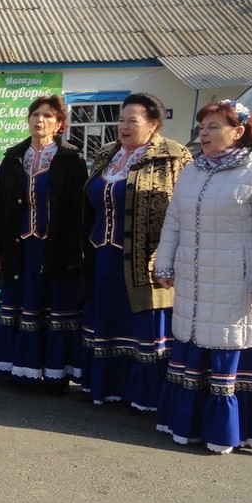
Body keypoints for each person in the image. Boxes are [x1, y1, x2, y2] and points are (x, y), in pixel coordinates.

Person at [153, 99, 252, 453]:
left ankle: (235, 431)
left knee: (228, 344)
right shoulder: (195, 169)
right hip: (193, 278)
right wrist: (165, 263)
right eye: (202, 127)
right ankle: (188, 425)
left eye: (214, 127)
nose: (204, 133)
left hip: (237, 284)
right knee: (194, 342)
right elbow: (175, 220)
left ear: (239, 131)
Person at [76, 93, 191, 409]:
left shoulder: (174, 156)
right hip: (102, 256)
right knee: (105, 320)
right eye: (121, 119)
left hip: (145, 260)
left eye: (132, 120)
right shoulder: (106, 154)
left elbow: (183, 211)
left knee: (141, 325)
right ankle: (105, 386)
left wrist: (170, 259)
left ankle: (144, 395)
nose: (123, 126)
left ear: (153, 123)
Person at [0, 94, 87, 387]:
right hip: (21, 248)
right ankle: (18, 369)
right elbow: (0, 208)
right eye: (35, 114)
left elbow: (78, 212)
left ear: (59, 124)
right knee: (20, 304)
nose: (39, 120)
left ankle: (54, 374)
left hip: (55, 249)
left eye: (47, 116)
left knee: (53, 307)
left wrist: (73, 254)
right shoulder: (14, 158)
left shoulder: (71, 160)